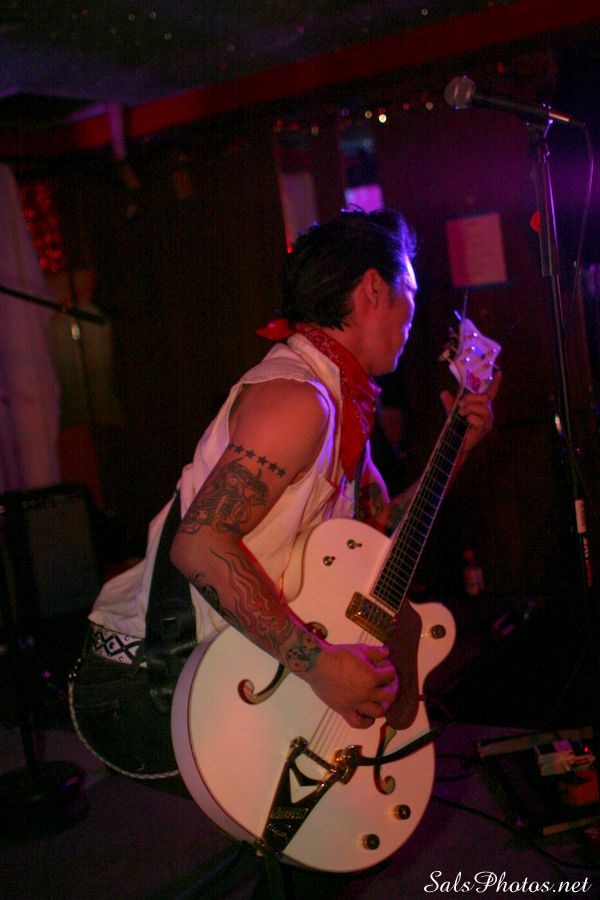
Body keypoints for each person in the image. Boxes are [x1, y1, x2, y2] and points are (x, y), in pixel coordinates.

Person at [69, 208, 500, 786]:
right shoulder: (300, 399)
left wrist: (456, 451)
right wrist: (322, 668)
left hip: (239, 664)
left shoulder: (341, 398)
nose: (412, 319)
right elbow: (197, 546)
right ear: (374, 288)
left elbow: (376, 528)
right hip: (155, 681)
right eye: (411, 295)